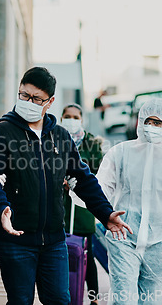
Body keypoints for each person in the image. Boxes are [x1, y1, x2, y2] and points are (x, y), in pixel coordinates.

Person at [0, 66, 133, 304]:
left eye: (36, 98)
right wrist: (1, 209)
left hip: (53, 241)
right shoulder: (0, 133)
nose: (28, 102)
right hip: (15, 239)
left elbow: (82, 179)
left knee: (61, 300)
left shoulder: (60, 137)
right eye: (24, 95)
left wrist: (105, 213)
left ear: (49, 102)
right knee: (20, 301)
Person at [96, 98, 162, 305]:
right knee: (123, 300)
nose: (151, 127)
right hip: (123, 236)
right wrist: (78, 190)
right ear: (139, 121)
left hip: (160, 242)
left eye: (157, 122)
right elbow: (100, 189)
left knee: (153, 301)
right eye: (148, 121)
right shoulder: (121, 152)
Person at [61, 103, 103, 305]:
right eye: (67, 116)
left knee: (88, 253)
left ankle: (93, 297)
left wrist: (79, 183)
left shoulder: (92, 144)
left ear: (81, 119)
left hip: (82, 207)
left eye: (75, 117)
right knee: (62, 254)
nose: (71, 120)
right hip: (59, 207)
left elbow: (99, 175)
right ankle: (67, 294)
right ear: (61, 118)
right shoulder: (55, 139)